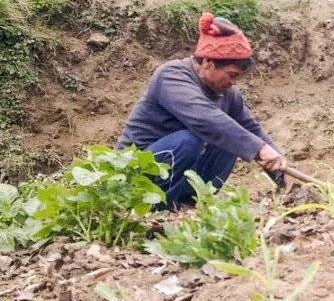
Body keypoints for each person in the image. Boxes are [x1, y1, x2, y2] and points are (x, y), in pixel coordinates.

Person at [116, 12, 287, 208]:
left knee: (230, 140)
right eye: (230, 75)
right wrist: (258, 149)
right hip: (136, 171)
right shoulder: (171, 76)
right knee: (191, 140)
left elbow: (250, 129)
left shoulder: (228, 94)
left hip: (173, 173)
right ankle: (154, 208)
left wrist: (281, 169)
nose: (233, 83)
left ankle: (188, 204)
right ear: (207, 63)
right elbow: (206, 119)